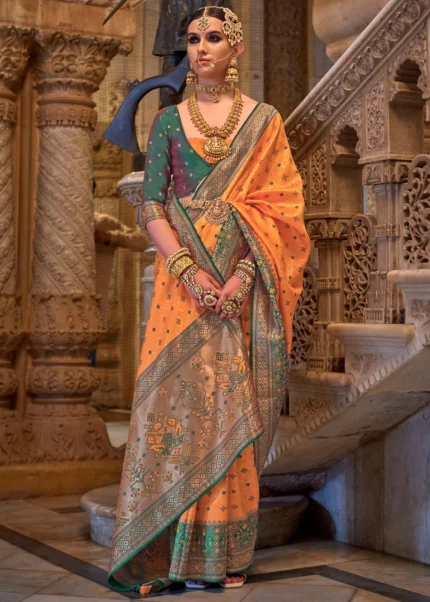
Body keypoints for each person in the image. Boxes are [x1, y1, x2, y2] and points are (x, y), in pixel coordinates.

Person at [108, 6, 310, 597]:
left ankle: (224, 554)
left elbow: (280, 209)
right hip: (182, 286)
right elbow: (151, 207)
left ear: (236, 47)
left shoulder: (264, 121)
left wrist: (244, 275)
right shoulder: (168, 121)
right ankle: (160, 552)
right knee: (172, 409)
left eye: (213, 37)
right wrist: (189, 272)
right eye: (193, 39)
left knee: (231, 410)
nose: (201, 48)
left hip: (243, 284)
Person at [153, 0, 233, 108]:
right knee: (169, 91)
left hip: (210, 31)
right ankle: (167, 122)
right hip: (175, 34)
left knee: (215, 85)